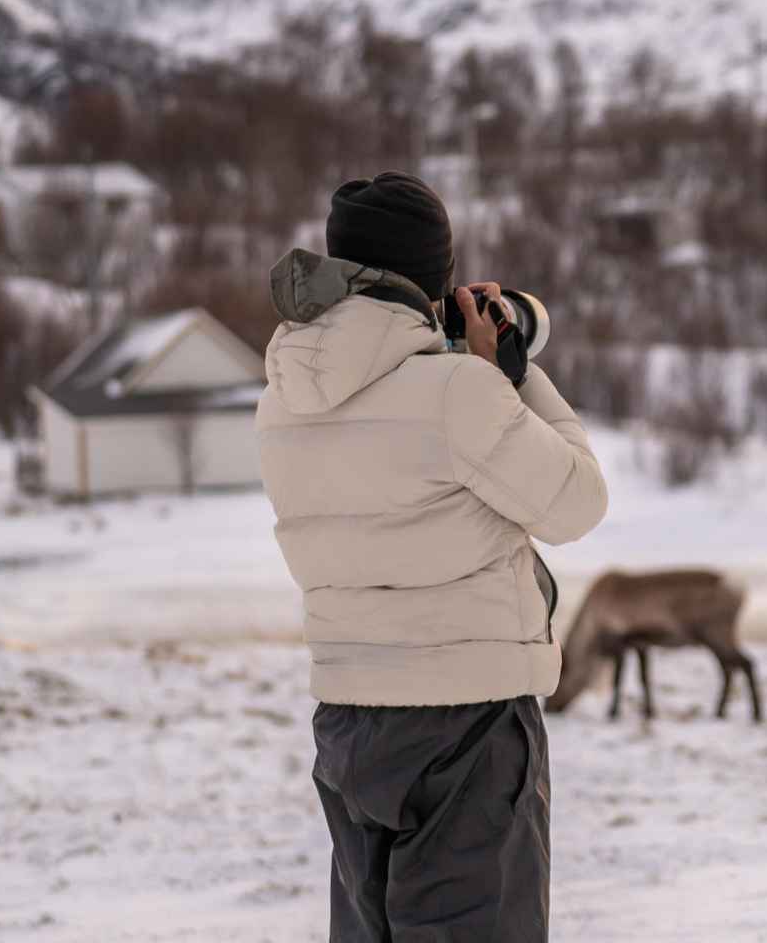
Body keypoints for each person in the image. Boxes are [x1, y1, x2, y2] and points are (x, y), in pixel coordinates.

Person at [254, 171, 608, 942]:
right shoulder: (459, 391)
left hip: (349, 717)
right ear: (435, 277)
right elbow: (577, 501)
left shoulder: (282, 393)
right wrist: (511, 372)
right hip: (467, 721)